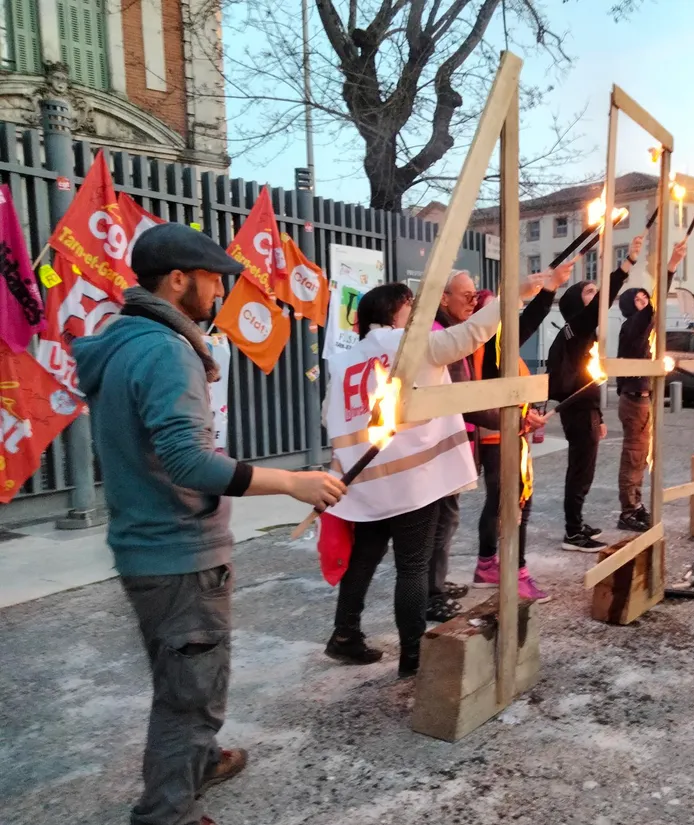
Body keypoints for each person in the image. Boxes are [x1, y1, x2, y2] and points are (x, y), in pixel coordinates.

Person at [71, 223, 347, 825]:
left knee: (180, 678)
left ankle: (198, 762)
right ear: (177, 280)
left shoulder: (123, 340)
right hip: (178, 554)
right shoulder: (166, 350)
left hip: (146, 544)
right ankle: (167, 810)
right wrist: (293, 482)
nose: (220, 293)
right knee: (189, 699)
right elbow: (187, 461)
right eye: (213, 281)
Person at [321, 276, 544, 677]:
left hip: (365, 481)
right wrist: (517, 294)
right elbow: (472, 333)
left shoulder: (342, 362)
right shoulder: (409, 343)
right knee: (412, 566)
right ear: (396, 311)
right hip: (411, 478)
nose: (417, 314)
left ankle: (344, 634)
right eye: (410, 306)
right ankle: (412, 657)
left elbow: (329, 417)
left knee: (365, 559)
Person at [470, 259, 576, 601]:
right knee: (511, 502)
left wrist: (551, 287)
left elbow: (526, 323)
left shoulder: (502, 341)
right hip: (495, 432)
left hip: (508, 430)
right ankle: (513, 570)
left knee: (505, 501)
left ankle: (488, 565)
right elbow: (527, 322)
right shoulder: (482, 341)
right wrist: (545, 291)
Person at [547, 234, 643, 551]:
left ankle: (577, 523)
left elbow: (589, 377)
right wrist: (626, 264)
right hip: (576, 410)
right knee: (580, 470)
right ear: (578, 303)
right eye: (590, 292)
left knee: (584, 470)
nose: (597, 296)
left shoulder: (580, 334)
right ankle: (573, 532)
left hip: (585, 408)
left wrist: (598, 416)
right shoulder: (577, 329)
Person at [425, 269, 493, 622]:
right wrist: (508, 419)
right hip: (442, 442)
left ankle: (435, 582)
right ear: (443, 298)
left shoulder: (448, 332)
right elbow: (463, 398)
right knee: (440, 518)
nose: (473, 301)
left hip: (455, 438)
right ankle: (430, 592)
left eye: (474, 295)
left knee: (446, 516)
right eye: (465, 295)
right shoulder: (441, 335)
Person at [615, 239, 689, 530]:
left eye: (646, 298)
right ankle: (628, 511)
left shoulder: (642, 331)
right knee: (634, 456)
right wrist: (670, 267)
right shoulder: (632, 326)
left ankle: (637, 503)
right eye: (639, 299)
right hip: (634, 400)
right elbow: (654, 308)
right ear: (629, 306)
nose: (645, 302)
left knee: (640, 456)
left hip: (642, 398)